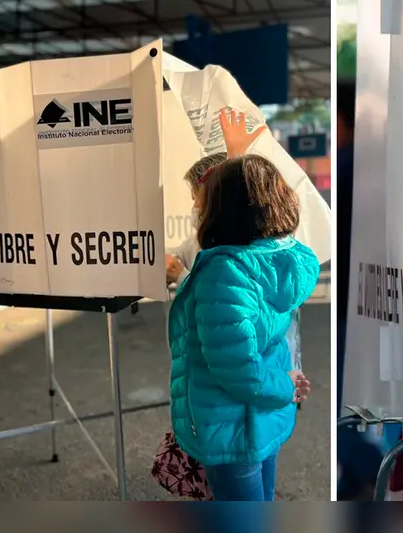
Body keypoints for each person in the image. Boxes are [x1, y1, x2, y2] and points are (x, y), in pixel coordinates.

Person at [168, 152, 320, 501]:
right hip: (264, 416)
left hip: (231, 427)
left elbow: (239, 371)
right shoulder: (282, 259)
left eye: (204, 200)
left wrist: (284, 386)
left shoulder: (224, 272)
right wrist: (284, 385)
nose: (197, 208)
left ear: (226, 209)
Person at [335, 79, 386, 500]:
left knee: (344, 412)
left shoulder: (348, 165)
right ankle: (357, 483)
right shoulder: (376, 164)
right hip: (373, 303)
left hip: (350, 307)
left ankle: (373, 474)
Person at [165, 152, 228, 287]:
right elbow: (176, 255)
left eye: (196, 197)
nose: (195, 207)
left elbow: (217, 293)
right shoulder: (198, 241)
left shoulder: (235, 249)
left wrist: (181, 277)